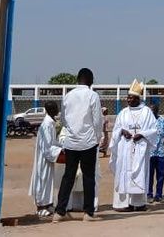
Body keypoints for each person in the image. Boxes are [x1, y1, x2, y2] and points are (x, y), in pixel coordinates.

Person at [52, 68, 103, 223]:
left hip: (71, 142)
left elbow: (64, 120)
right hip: (88, 142)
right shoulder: (93, 96)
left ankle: (59, 213)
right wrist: (97, 138)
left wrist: (72, 133)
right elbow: (97, 120)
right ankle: (88, 213)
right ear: (90, 80)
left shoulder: (68, 96)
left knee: (68, 176)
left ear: (78, 79)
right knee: (88, 177)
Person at [109, 79, 158, 212]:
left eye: (131, 98)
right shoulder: (123, 112)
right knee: (125, 174)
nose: (128, 100)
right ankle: (124, 204)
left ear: (138, 98)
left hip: (140, 148)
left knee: (139, 174)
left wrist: (142, 134)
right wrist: (122, 131)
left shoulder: (147, 112)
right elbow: (116, 129)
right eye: (128, 97)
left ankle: (139, 204)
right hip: (125, 148)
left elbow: (154, 130)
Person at [28, 101, 63, 218]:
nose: (57, 110)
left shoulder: (51, 123)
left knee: (49, 181)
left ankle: (48, 204)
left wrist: (61, 146)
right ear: (51, 110)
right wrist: (59, 151)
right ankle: (40, 207)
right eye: (56, 107)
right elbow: (47, 146)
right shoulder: (47, 124)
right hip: (44, 159)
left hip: (48, 158)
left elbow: (52, 141)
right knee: (42, 180)